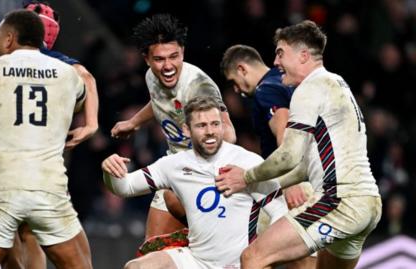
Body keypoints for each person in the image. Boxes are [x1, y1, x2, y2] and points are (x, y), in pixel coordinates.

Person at [215, 20, 382, 269]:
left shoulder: (308, 88)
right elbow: (309, 163)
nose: (275, 62)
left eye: (281, 53)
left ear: (303, 56)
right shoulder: (337, 83)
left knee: (252, 257)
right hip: (368, 202)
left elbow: (289, 155)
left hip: (339, 201)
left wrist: (246, 177)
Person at [0, 10, 92, 268]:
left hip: (0, 189)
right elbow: (79, 100)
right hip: (49, 190)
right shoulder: (67, 73)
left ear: (9, 39)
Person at [103, 96, 287, 269]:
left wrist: (258, 256)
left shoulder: (248, 161)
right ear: (186, 130)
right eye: (201, 125)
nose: (210, 132)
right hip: (196, 260)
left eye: (215, 124)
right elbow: (124, 187)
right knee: (136, 266)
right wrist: (109, 171)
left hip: (239, 263)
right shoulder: (174, 164)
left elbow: (280, 212)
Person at [111, 14, 236, 241]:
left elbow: (229, 135)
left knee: (204, 250)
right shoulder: (151, 77)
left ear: (183, 53)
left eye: (174, 57)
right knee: (153, 248)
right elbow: (160, 101)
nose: (168, 66)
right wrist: (134, 122)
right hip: (174, 170)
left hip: (205, 176)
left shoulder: (199, 87)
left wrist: (204, 152)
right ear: (147, 59)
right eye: (159, 59)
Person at [220, 44, 316, 269]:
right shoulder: (287, 80)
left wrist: (290, 181)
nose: (236, 90)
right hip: (316, 177)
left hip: (297, 185)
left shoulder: (266, 90)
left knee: (256, 255)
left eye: (234, 81)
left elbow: (285, 136)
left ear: (242, 69)